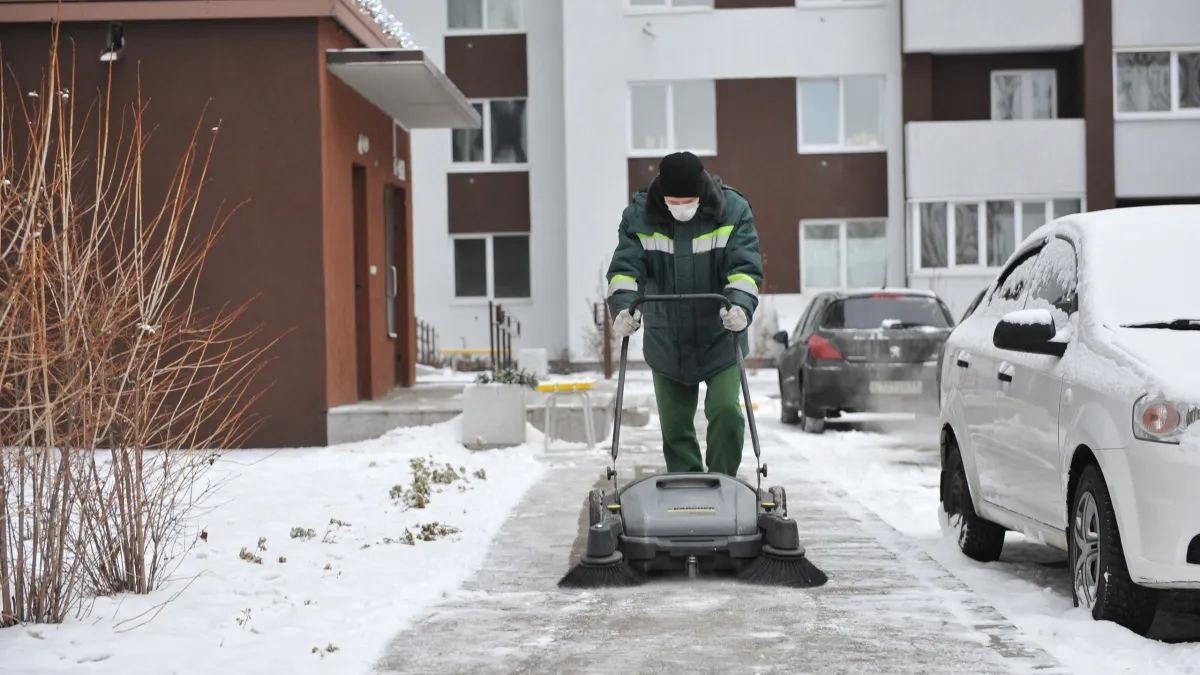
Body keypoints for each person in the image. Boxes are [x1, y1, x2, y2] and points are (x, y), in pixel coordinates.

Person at [604, 151, 764, 478]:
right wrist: (623, 309)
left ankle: (723, 484)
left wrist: (740, 307)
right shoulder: (639, 217)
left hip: (722, 337)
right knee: (675, 427)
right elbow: (625, 270)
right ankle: (685, 489)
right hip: (667, 340)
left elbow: (745, 268)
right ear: (662, 196)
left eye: (688, 200)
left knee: (727, 412)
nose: (682, 206)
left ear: (701, 191)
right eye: (674, 201)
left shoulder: (732, 212)